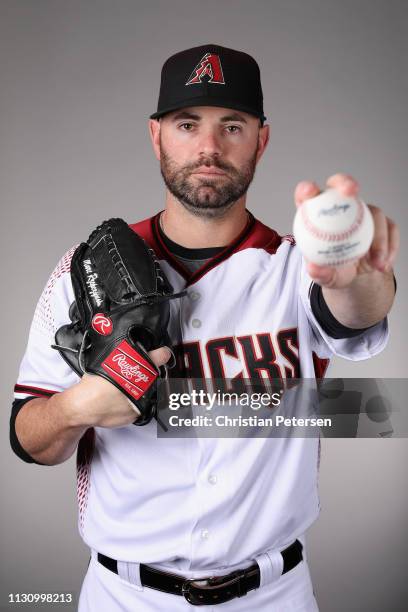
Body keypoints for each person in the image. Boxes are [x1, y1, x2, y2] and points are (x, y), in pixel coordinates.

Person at [11, 44, 398, 611]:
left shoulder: (297, 268)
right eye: (187, 124)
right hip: (124, 597)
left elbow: (357, 309)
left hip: (274, 596)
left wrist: (358, 273)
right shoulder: (84, 271)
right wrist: (78, 409)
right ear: (156, 135)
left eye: (232, 126)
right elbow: (27, 437)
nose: (209, 147)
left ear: (261, 140)